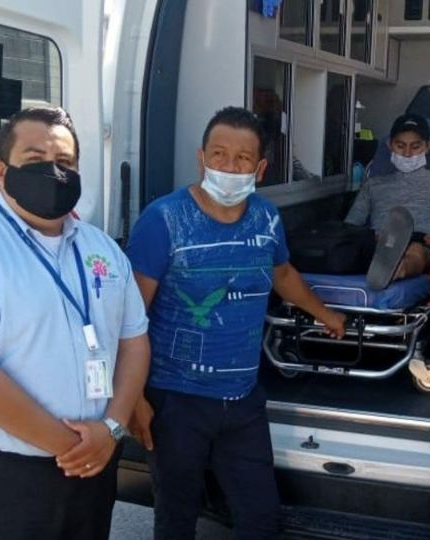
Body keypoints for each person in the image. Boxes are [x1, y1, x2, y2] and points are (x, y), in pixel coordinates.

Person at [0, 107, 151, 539]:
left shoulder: (102, 250)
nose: (53, 173)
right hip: (1, 478)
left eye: (65, 163)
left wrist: (112, 429)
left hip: (93, 465)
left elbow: (134, 341)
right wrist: (75, 448)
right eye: (36, 160)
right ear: (1, 172)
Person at [126, 106, 346, 540]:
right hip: (176, 400)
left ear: (260, 169)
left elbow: (282, 274)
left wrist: (325, 314)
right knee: (176, 518)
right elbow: (130, 314)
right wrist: (133, 398)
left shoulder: (266, 218)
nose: (229, 167)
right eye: (219, 155)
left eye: (242, 159)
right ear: (201, 158)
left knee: (260, 518)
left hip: (243, 399)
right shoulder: (164, 219)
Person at [345, 113, 430, 281]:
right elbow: (350, 225)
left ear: (428, 145)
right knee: (359, 246)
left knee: (416, 251)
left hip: (421, 241)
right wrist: (368, 237)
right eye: (400, 146)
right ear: (390, 145)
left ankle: (396, 270)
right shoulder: (373, 184)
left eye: (415, 146)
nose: (408, 153)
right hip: (380, 242)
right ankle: (382, 264)